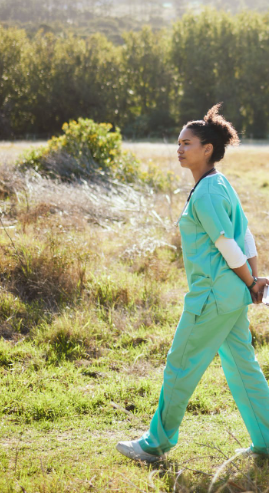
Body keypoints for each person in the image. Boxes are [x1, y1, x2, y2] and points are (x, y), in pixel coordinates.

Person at [116, 103, 269, 463]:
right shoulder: (218, 185)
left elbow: (230, 243)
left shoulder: (208, 191)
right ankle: (266, 440)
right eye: (178, 143)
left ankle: (155, 444)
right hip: (230, 297)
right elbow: (245, 236)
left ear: (208, 149)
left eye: (187, 143)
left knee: (180, 365)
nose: (180, 149)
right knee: (243, 367)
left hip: (212, 298)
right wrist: (254, 279)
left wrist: (252, 281)